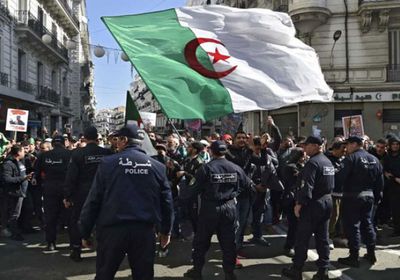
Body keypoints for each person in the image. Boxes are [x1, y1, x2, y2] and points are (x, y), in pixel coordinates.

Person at [79, 124, 173, 280]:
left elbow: (94, 200)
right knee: (143, 275)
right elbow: (167, 203)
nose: (116, 143)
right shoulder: (157, 167)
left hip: (112, 231)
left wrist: (85, 231)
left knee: (104, 274)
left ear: (124, 140)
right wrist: (166, 231)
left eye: (118, 139)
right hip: (144, 231)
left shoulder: (108, 164)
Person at [184, 140, 253, 280]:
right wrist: (234, 193)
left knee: (201, 242)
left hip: (210, 208)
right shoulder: (235, 168)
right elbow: (249, 187)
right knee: (229, 242)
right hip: (229, 207)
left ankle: (197, 271)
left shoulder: (206, 168)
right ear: (225, 151)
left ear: (211, 151)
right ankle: (229, 273)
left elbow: (191, 190)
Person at [282, 136, 334, 280]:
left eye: (307, 146)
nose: (304, 148)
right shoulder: (327, 162)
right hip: (326, 201)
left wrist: (299, 204)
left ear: (316, 146)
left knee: (302, 238)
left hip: (313, 204)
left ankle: (296, 269)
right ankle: (323, 270)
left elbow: (306, 186)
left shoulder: (313, 163)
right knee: (323, 238)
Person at [63, 127, 112, 262]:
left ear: (84, 137)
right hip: (104, 193)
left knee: (78, 220)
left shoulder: (77, 153)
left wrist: (68, 196)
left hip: (83, 193)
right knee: (103, 221)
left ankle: (76, 249)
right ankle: (104, 250)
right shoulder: (107, 153)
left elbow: (71, 177)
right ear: (97, 138)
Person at [337, 136, 384, 267]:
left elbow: (340, 177)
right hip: (369, 197)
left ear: (355, 144)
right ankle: (371, 253)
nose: (346, 147)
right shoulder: (374, 159)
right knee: (367, 224)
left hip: (352, 197)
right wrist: (377, 198)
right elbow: (380, 183)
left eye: (348, 145)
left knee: (352, 226)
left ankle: (354, 256)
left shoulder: (351, 159)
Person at [34, 136, 72, 251]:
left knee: (50, 217)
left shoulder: (44, 155)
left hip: (49, 189)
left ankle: (51, 243)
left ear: (53, 144)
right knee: (70, 217)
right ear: (63, 143)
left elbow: (37, 172)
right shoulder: (70, 154)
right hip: (66, 190)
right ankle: (73, 243)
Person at [1, 144, 33, 240]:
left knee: (24, 211)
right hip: (14, 192)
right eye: (23, 150)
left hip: (22, 191)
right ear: (18, 152)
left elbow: (22, 171)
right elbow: (7, 179)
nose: (24, 152)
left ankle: (23, 228)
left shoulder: (18, 161)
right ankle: (14, 233)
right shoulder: (8, 164)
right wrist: (23, 178)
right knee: (14, 214)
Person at [281, 147, 306, 257]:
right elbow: (299, 178)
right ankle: (288, 246)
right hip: (291, 198)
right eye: (303, 155)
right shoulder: (291, 167)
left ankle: (294, 244)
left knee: (298, 225)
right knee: (293, 225)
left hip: (297, 197)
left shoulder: (298, 166)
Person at [382, 136, 400, 236]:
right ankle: (397, 230)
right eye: (393, 144)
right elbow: (385, 170)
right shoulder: (387, 157)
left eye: (397, 144)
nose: (395, 146)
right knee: (395, 210)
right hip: (392, 186)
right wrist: (387, 174)